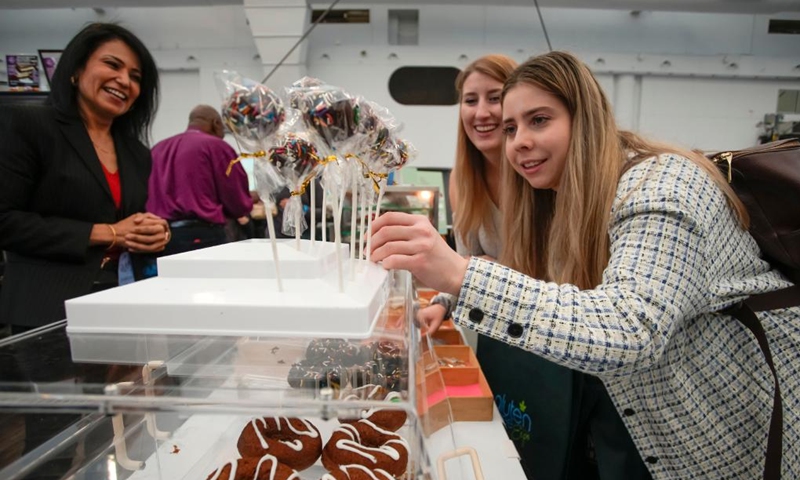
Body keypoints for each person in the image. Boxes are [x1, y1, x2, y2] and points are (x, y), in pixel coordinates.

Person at [371, 51, 800, 478]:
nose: (518, 141)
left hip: (734, 433)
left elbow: (630, 328)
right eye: (511, 127)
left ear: (585, 118)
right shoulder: (558, 200)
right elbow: (547, 286)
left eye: (539, 120)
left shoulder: (663, 186)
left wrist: (462, 275)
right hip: (647, 424)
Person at [417, 54, 578, 480]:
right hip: (501, 337)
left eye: (494, 98)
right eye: (471, 100)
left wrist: (481, 270)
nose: (482, 112)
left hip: (552, 337)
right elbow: (467, 265)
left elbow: (563, 272)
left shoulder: (537, 174)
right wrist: (445, 301)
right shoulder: (461, 180)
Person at [0, 23, 169, 333]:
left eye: (135, 77)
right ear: (76, 70)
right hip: (46, 309)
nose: (124, 81)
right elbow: (6, 221)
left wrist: (153, 234)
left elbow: (126, 225)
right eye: (112, 65)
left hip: (120, 302)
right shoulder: (29, 125)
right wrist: (107, 234)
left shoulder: (136, 152)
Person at [147, 105, 253, 257]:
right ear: (216, 123)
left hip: (159, 236)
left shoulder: (158, 148)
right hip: (202, 236)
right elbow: (237, 200)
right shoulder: (216, 146)